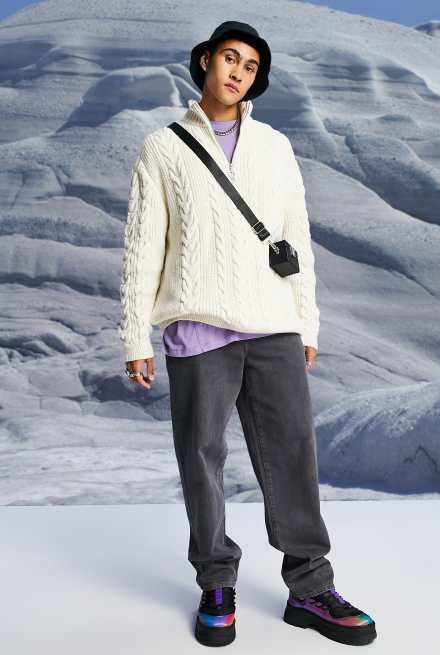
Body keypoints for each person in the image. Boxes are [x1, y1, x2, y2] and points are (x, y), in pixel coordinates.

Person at [118, 20, 377, 648]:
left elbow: (296, 239)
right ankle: (216, 582)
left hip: (272, 324)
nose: (238, 72)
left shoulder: (276, 146)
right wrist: (134, 335)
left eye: (251, 66)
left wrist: (306, 321)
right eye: (230, 58)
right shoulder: (163, 147)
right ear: (206, 60)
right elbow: (143, 246)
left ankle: (310, 589)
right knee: (200, 457)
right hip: (197, 324)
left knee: (292, 457)